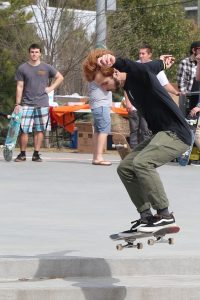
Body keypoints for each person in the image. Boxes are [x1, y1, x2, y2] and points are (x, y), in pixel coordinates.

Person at [83, 49, 191, 235]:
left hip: (177, 134)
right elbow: (154, 66)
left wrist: (115, 60)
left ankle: (165, 215)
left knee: (142, 163)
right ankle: (146, 217)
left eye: (104, 83)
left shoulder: (139, 75)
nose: (105, 89)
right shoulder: (129, 86)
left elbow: (138, 67)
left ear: (114, 71)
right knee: (125, 167)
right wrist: (162, 62)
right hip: (161, 134)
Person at [14, 43, 63, 162]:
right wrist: (17, 104)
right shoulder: (22, 68)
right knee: (24, 130)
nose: (34, 54)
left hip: (42, 103)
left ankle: (36, 154)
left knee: (40, 130)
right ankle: (22, 154)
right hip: (26, 103)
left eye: (36, 52)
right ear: (29, 53)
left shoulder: (46, 67)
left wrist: (51, 88)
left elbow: (60, 77)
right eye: (32, 52)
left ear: (40, 53)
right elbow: (20, 86)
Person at [125, 43, 179, 149]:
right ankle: (132, 152)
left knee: (145, 130)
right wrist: (128, 102)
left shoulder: (156, 66)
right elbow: (126, 85)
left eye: (143, 53)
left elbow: (165, 84)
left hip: (147, 105)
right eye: (139, 53)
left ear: (149, 55)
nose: (140, 55)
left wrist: (176, 92)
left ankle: (144, 152)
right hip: (134, 104)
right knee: (134, 130)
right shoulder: (134, 66)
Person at [177, 41, 200, 164]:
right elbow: (181, 83)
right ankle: (186, 155)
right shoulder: (186, 63)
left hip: (198, 100)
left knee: (196, 129)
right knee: (191, 126)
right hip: (190, 98)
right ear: (194, 50)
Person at [88, 81, 112, 166]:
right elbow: (110, 85)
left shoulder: (93, 74)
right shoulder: (100, 73)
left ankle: (95, 157)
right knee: (104, 130)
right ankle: (99, 157)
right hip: (101, 105)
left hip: (98, 105)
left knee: (98, 131)